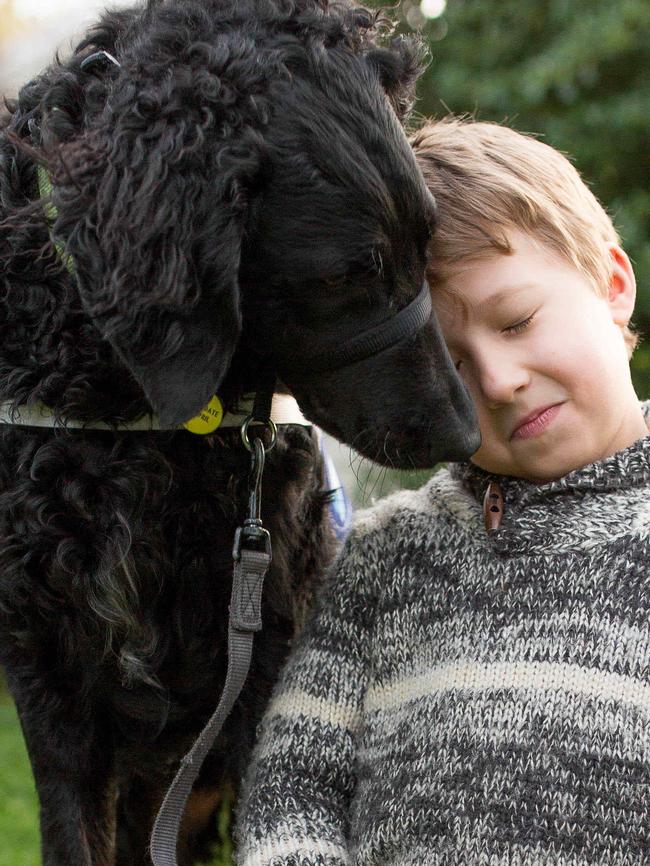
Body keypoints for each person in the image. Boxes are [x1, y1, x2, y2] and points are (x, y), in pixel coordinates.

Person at [234, 116, 650, 865]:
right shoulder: (385, 556)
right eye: (449, 365)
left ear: (613, 283)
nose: (497, 381)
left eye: (517, 321)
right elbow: (295, 786)